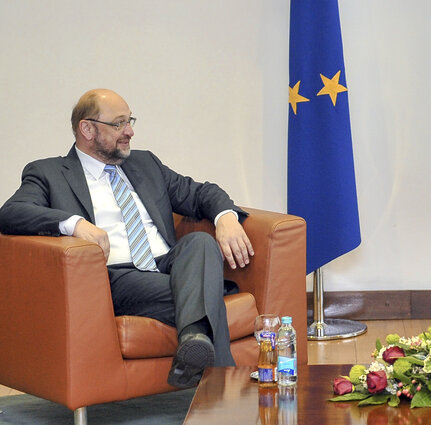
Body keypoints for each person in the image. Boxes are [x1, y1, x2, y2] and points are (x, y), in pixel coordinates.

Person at [0, 89, 255, 389]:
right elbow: (12, 212)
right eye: (119, 123)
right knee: (203, 289)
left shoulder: (145, 163)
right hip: (117, 274)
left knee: (201, 243)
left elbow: (200, 192)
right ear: (88, 129)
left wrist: (225, 217)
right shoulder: (49, 172)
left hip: (168, 265)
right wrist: (75, 224)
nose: (130, 131)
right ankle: (222, 387)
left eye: (129, 121)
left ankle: (194, 346)